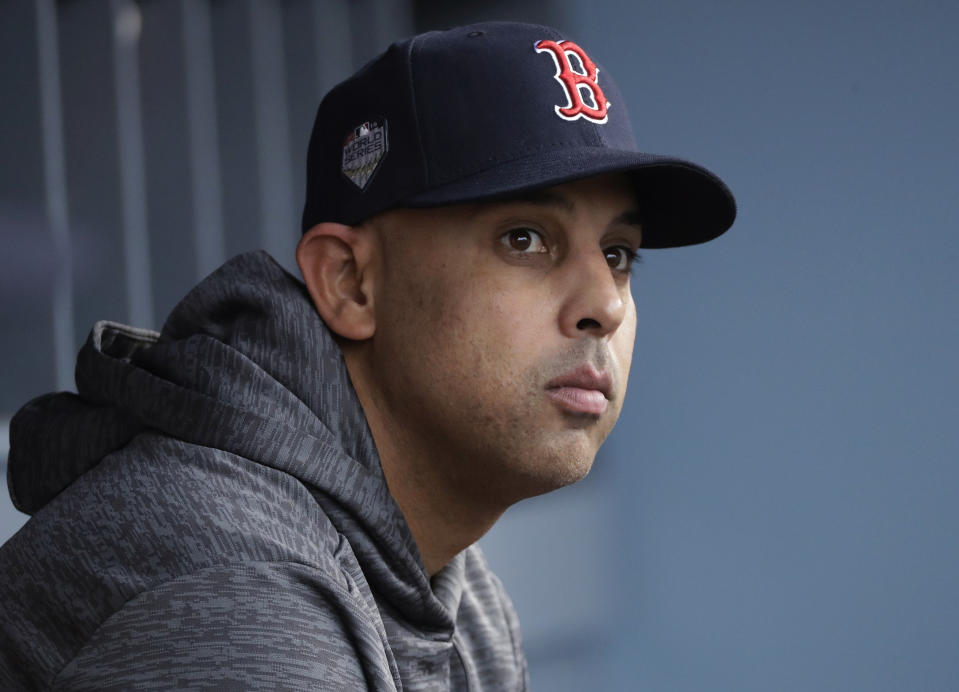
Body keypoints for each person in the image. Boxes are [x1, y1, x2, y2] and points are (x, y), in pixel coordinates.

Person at [0, 20, 735, 690]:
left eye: (617, 253)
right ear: (350, 283)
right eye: (524, 238)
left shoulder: (456, 588)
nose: (604, 303)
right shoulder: (239, 594)